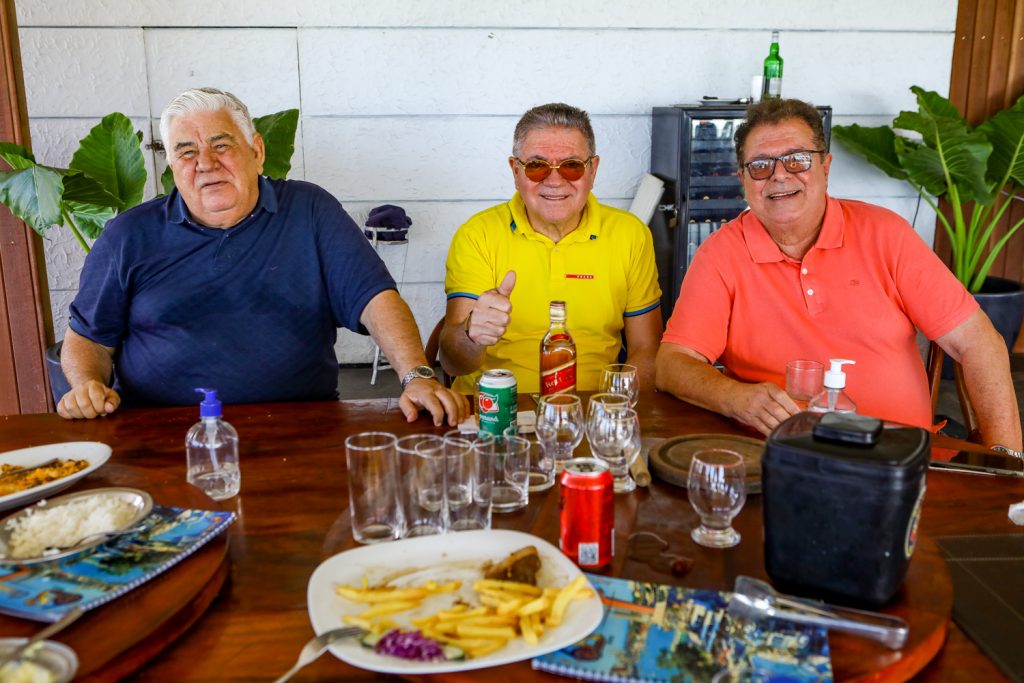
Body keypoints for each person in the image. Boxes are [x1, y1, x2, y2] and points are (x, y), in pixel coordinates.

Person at [58, 87, 468, 426]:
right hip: (160, 432)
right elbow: (89, 337)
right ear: (172, 165)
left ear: (256, 150)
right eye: (186, 152)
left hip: (301, 426)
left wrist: (417, 376)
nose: (205, 163)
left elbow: (375, 299)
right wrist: (87, 386)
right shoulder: (128, 234)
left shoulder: (310, 210)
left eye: (221, 145)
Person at [656, 97, 1022, 453]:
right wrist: (733, 396)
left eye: (797, 159)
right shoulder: (721, 254)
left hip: (899, 459)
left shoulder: (885, 234)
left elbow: (978, 342)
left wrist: (1007, 460)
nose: (779, 174)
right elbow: (672, 363)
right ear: (743, 179)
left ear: (825, 166)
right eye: (761, 165)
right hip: (779, 458)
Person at [440, 102, 662, 394]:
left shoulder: (631, 234)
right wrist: (472, 335)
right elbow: (453, 363)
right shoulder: (477, 235)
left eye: (571, 166)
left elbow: (647, 349)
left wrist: (616, 409)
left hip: (592, 406)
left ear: (593, 169)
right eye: (537, 166)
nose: (555, 181)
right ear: (516, 171)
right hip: (495, 408)